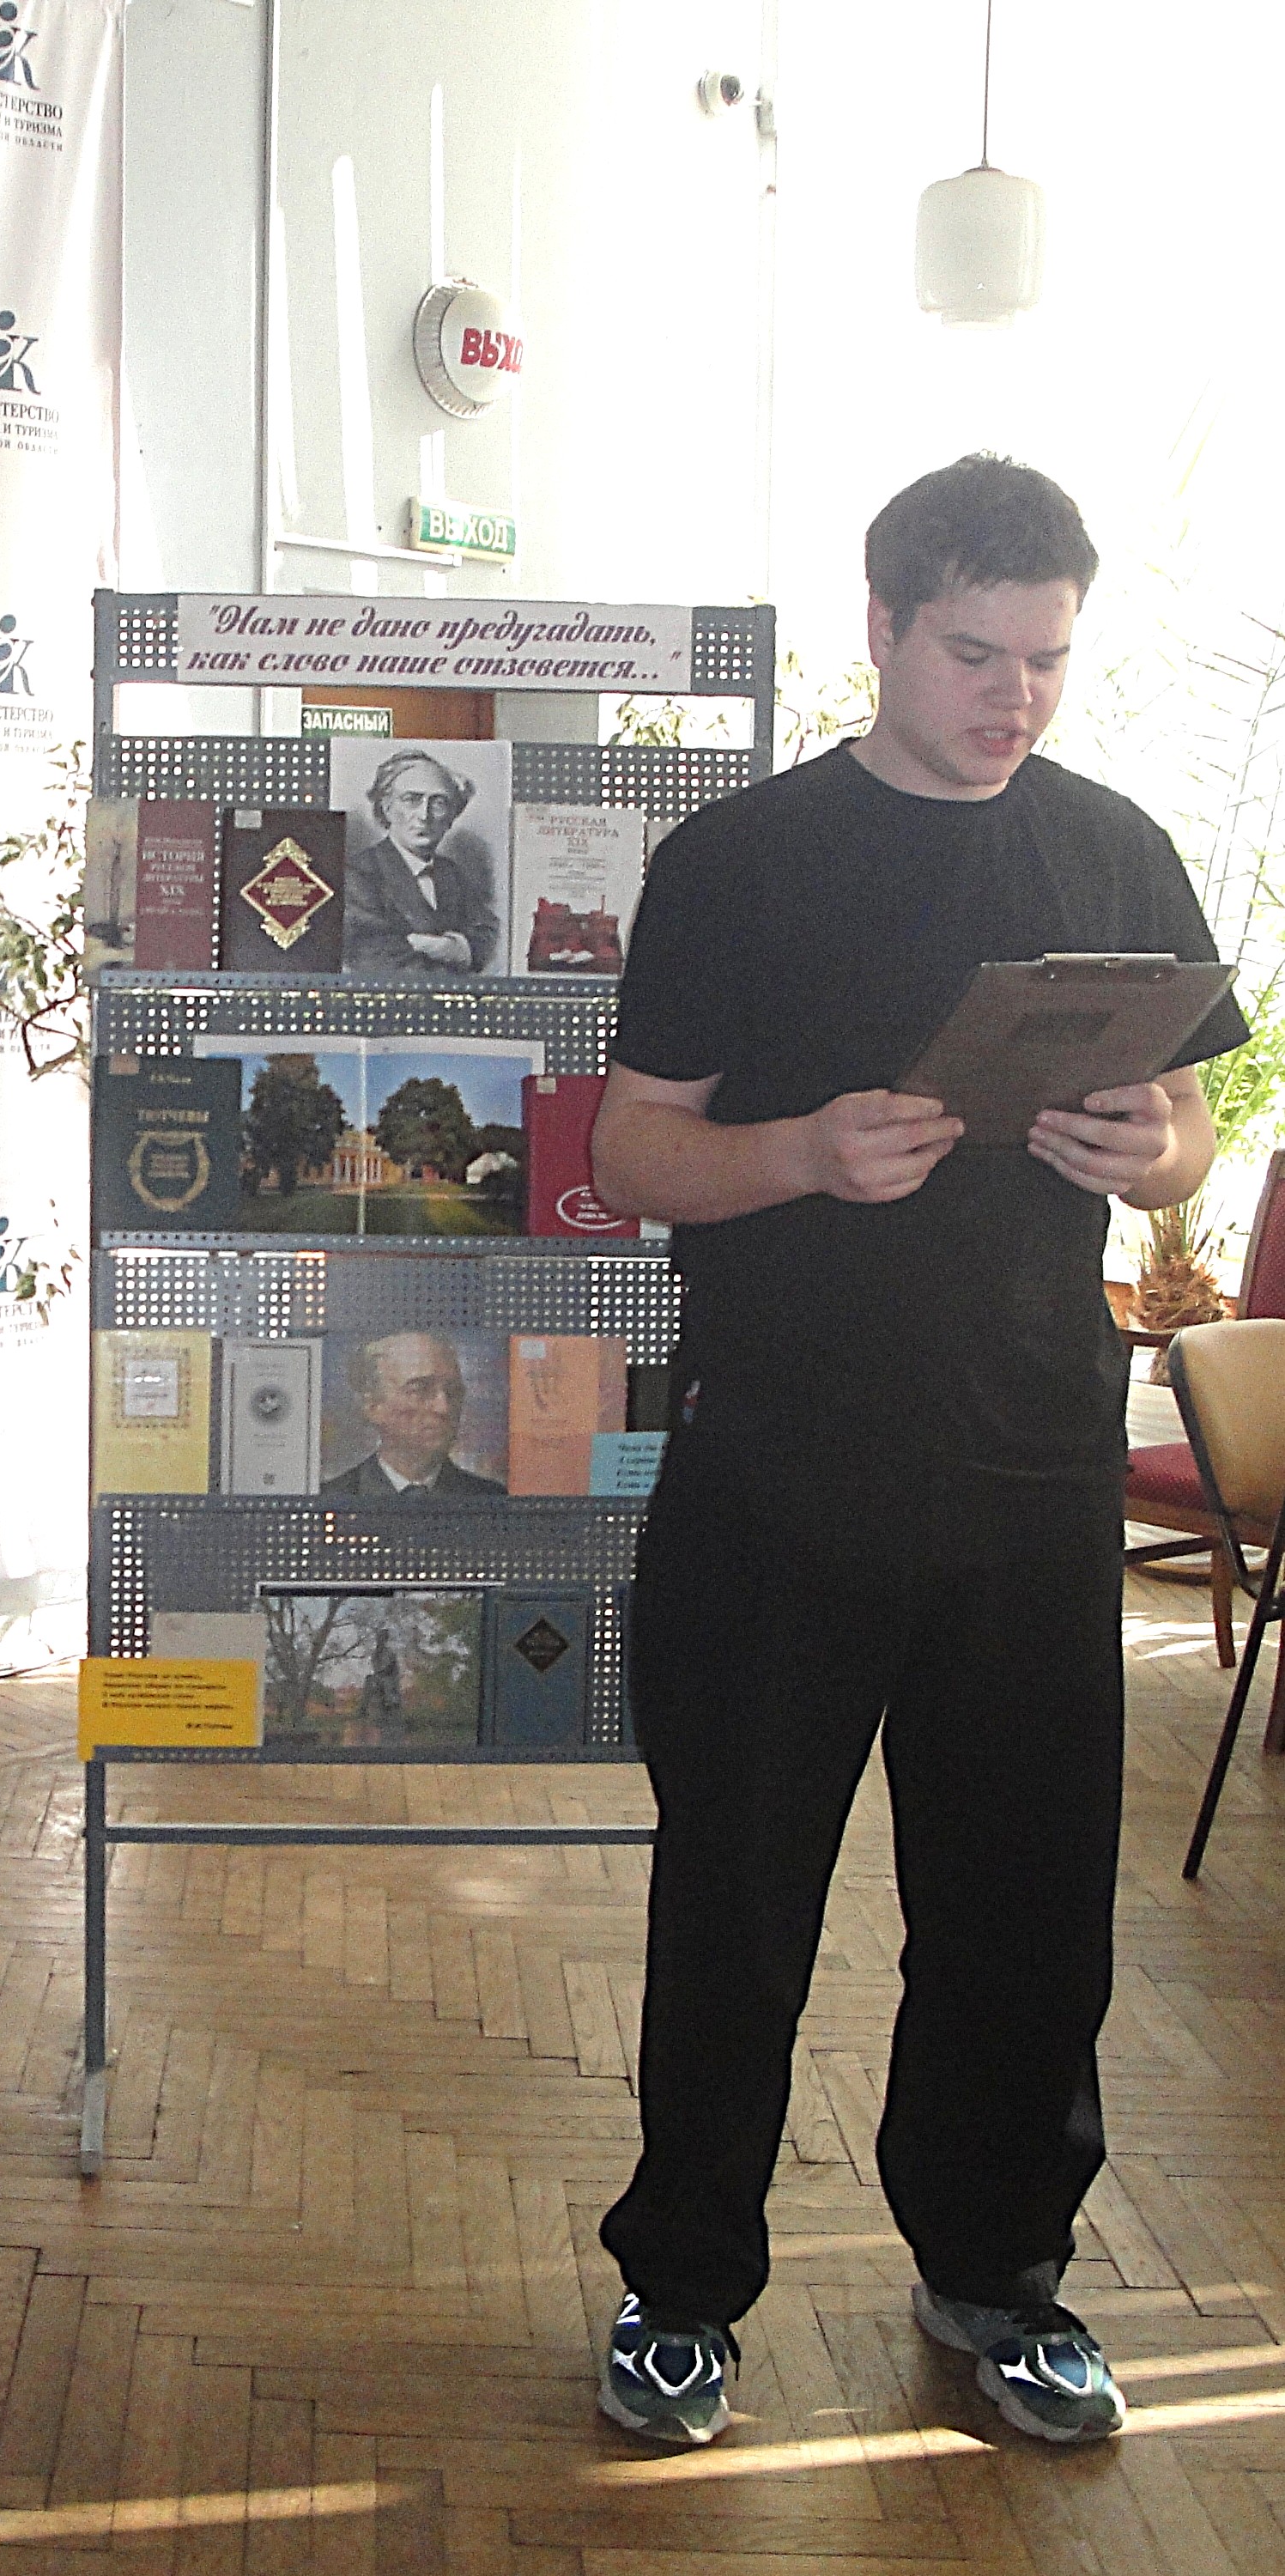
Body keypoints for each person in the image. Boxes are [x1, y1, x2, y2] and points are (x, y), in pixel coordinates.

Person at [588, 455, 1249, 2452]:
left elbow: (1190, 1130)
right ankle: (679, 2285)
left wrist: (1152, 1149)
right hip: (774, 1468)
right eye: (973, 653)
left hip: (1032, 1468)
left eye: (1043, 656)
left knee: (1024, 1916)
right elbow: (631, 1153)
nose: (1011, 695)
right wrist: (799, 1153)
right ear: (877, 627)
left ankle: (997, 2274)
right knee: (737, 1905)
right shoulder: (741, 859)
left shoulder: (1112, 848)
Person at [342, 750, 501, 979]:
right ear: (387, 808)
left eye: (439, 803)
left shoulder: (451, 873)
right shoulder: (358, 874)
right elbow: (376, 959)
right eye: (411, 800)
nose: (424, 815)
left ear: (451, 817)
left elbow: (489, 937)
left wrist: (454, 949)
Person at [320, 1330, 506, 1495]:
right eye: (420, 1390)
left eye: (452, 1391)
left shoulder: (492, 1497)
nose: (444, 1408)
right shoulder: (335, 1495)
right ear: (373, 1406)